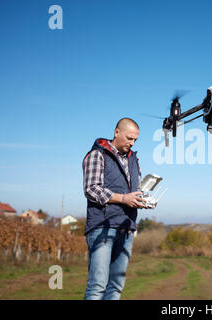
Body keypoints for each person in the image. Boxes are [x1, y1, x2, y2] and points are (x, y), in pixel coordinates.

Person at [82, 117, 147, 300]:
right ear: (116, 132)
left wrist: (143, 200)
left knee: (116, 287)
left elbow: (136, 190)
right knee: (98, 286)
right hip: (103, 226)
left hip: (126, 227)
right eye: (129, 138)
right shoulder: (97, 155)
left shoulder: (134, 160)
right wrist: (124, 198)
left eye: (135, 140)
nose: (132, 143)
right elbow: (91, 189)